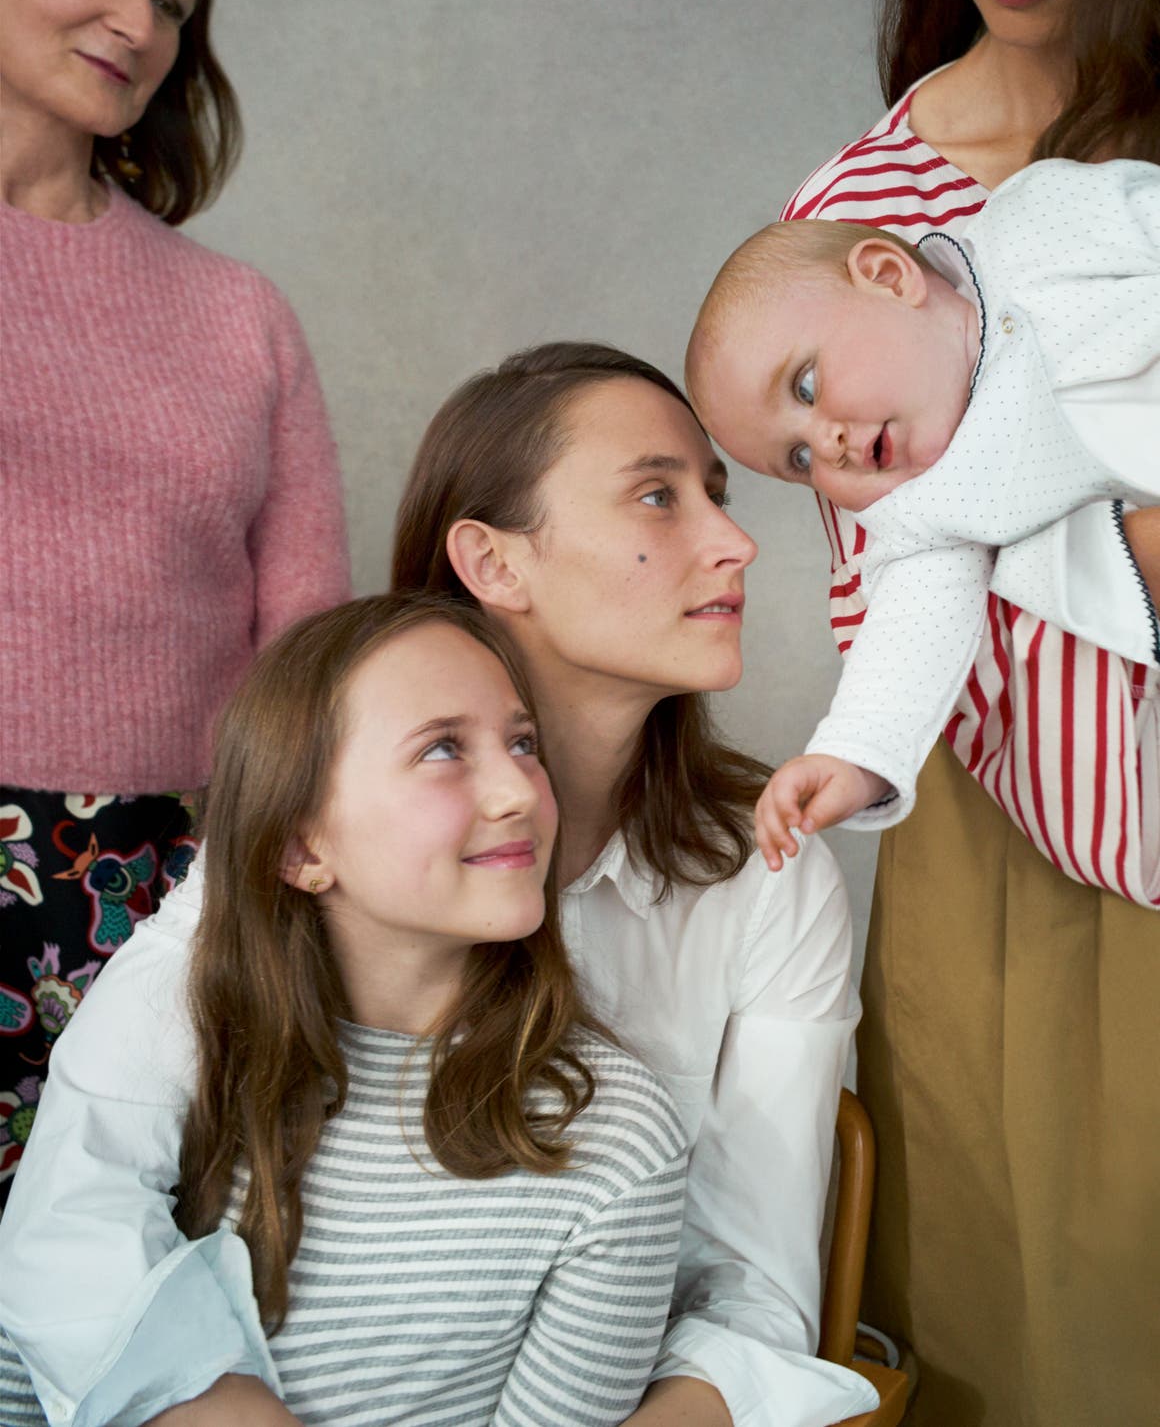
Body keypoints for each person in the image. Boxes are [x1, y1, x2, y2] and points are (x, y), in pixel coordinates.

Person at [0, 344, 877, 1427]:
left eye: (716, 494)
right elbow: (77, 1206)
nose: (737, 542)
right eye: (657, 495)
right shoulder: (306, 825)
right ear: (493, 563)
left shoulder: (771, 876)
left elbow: (754, 1294)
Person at [0, 591, 690, 1427]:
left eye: (523, 743)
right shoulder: (188, 1058)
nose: (519, 790)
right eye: (443, 748)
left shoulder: (613, 1141)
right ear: (300, 846)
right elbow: (30, 1368)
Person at [772, 0, 1160, 1422]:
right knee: (1016, 1318)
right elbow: (897, 575)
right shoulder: (853, 209)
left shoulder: (1096, 205)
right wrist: (855, 752)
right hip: (1004, 821)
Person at [0, 0, 350, 1202]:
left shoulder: (238, 315)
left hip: (172, 890)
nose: (141, 25)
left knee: (132, 1270)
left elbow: (308, 650)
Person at [686, 158, 1159, 859]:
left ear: (887, 276)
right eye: (799, 460)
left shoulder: (1036, 223)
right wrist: (853, 757)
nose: (826, 443)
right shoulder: (928, 509)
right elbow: (909, 636)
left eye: (806, 386)